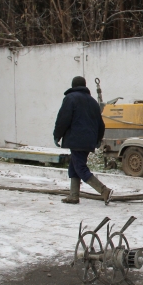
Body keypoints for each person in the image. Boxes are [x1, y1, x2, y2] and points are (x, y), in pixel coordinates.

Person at [53, 76, 114, 205]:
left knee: (80, 167)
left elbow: (63, 119)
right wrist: (97, 139)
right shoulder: (92, 102)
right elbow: (101, 124)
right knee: (74, 165)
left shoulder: (70, 98)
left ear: (73, 85)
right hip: (89, 140)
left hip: (76, 139)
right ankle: (73, 196)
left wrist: (57, 135)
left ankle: (104, 191)